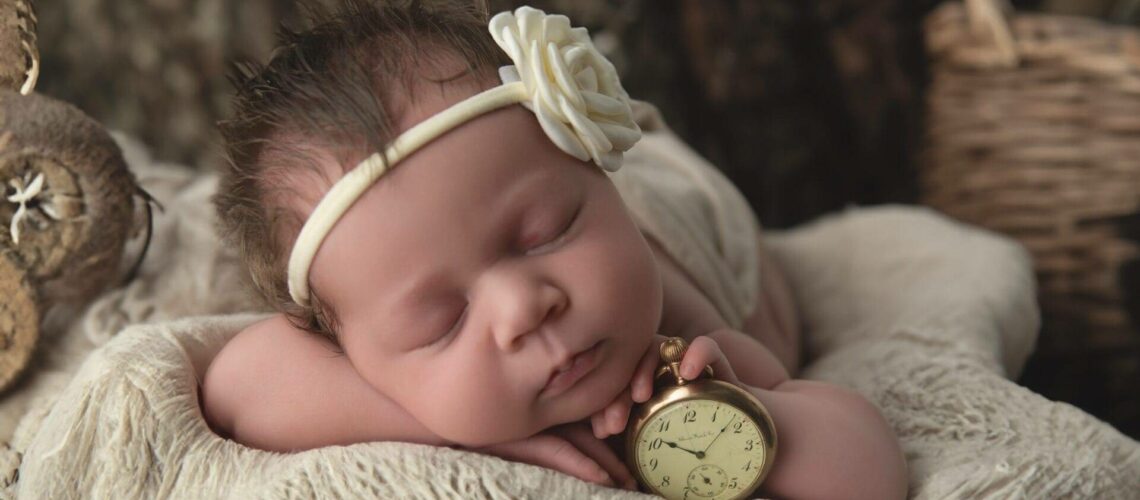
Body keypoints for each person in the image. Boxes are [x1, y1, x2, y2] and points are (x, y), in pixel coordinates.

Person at [202, 1, 908, 498]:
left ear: (598, 184)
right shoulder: (366, 323)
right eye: (441, 320)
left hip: (685, 206)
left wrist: (754, 408)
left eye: (547, 233)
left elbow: (871, 473)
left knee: (772, 315)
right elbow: (238, 385)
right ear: (351, 353)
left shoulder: (680, 339)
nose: (524, 307)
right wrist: (455, 427)